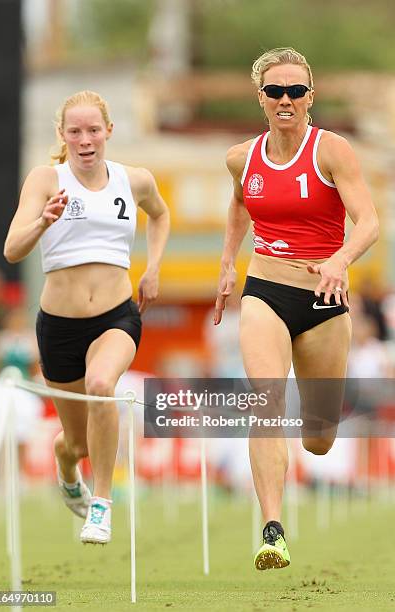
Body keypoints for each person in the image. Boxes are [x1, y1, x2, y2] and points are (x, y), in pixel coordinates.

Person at [214, 48, 378, 570]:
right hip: (265, 288)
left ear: (311, 96)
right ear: (260, 96)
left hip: (325, 300)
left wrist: (341, 259)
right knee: (265, 402)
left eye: (296, 91)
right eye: (275, 91)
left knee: (320, 439)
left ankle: (319, 437)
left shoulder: (331, 150)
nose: (286, 100)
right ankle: (272, 529)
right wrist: (226, 264)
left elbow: (370, 220)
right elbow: (241, 203)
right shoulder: (242, 157)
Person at [4, 90, 170, 544]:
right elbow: (12, 248)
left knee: (102, 386)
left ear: (109, 131)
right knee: (73, 441)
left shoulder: (133, 180)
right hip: (58, 327)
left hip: (117, 316)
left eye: (93, 130)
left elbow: (160, 215)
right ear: (62, 134)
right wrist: (42, 221)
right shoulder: (45, 179)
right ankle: (67, 463)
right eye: (74, 131)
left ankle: (102, 505)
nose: (85, 139)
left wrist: (153, 268)